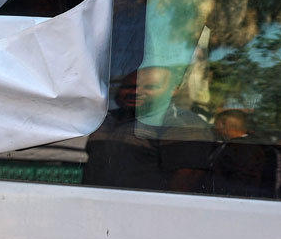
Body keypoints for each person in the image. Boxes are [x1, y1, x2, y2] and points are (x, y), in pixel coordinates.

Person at [83, 65, 214, 192]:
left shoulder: (182, 124)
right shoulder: (106, 119)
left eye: (150, 87)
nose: (136, 92)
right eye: (129, 87)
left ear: (174, 90)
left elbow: (187, 180)